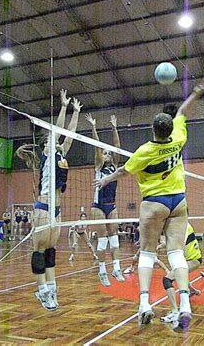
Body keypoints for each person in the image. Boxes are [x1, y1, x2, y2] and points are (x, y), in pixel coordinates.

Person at [94, 75, 204, 331]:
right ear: (170, 128)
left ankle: (145, 304)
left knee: (147, 253)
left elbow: (124, 170)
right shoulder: (179, 137)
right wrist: (198, 92)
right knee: (176, 253)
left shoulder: (145, 151)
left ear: (153, 130)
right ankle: (184, 304)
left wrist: (106, 180)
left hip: (154, 202)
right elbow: (182, 111)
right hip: (178, 201)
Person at [15, 89, 80, 311]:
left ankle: (51, 287)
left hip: (57, 210)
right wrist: (63, 107)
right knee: (39, 250)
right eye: (54, 140)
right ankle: (41, 291)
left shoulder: (61, 154)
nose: (58, 141)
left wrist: (76, 112)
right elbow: (58, 130)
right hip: (43, 207)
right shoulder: (48, 153)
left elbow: (70, 133)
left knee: (51, 251)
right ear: (46, 146)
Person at [85, 113, 125, 286]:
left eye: (109, 153)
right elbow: (97, 148)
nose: (107, 154)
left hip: (112, 206)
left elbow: (117, 146)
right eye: (105, 153)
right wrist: (93, 127)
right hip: (98, 207)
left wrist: (114, 127)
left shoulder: (115, 167)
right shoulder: (98, 166)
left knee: (114, 239)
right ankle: (102, 271)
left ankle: (116, 269)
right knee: (102, 242)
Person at [160, 221, 202, 324]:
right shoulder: (184, 224)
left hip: (192, 259)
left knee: (167, 280)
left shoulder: (182, 226)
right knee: (180, 276)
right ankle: (192, 290)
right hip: (194, 258)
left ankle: (174, 312)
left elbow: (180, 246)